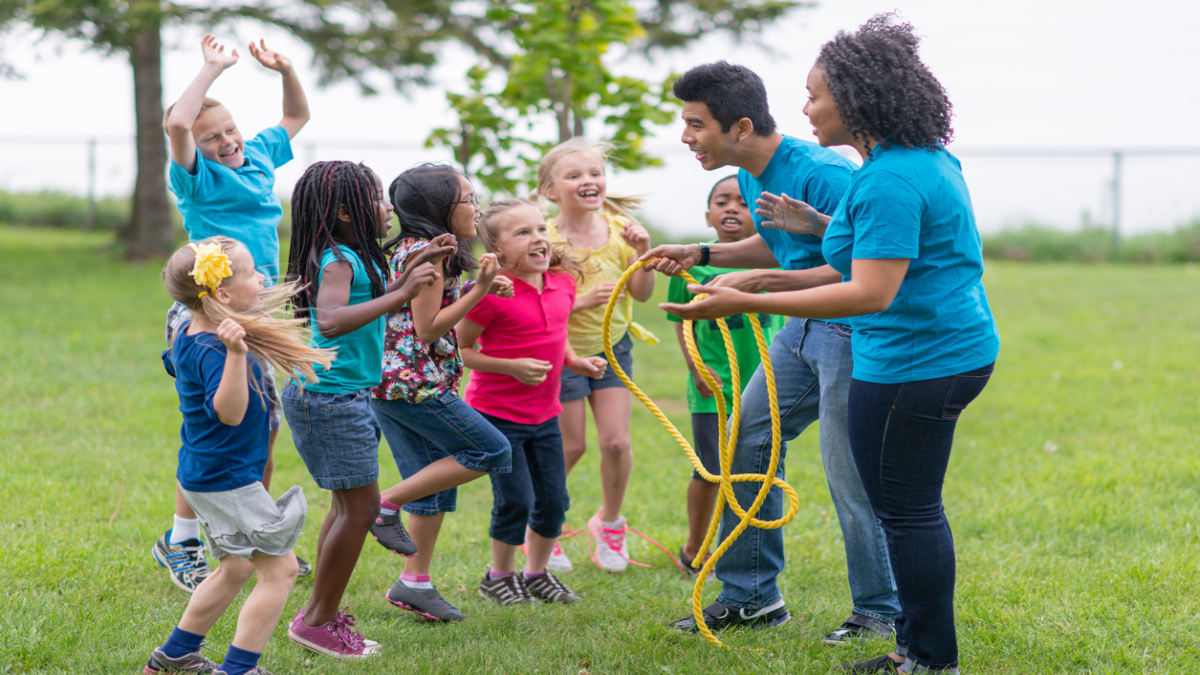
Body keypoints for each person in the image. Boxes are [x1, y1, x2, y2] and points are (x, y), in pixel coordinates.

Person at [661, 16, 1000, 674]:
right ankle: (785, 605)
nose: (807, 107)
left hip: (906, 354)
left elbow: (869, 288)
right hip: (915, 346)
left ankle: (913, 644)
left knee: (893, 502)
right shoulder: (904, 163)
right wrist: (793, 234)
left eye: (816, 94)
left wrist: (752, 295)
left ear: (860, 95)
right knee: (778, 450)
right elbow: (863, 243)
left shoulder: (883, 178)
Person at [641, 60, 901, 644]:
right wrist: (702, 254)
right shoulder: (756, 173)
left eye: (695, 125)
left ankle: (882, 610)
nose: (686, 138)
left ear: (738, 126)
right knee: (747, 439)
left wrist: (752, 290)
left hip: (850, 330)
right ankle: (751, 596)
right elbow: (778, 242)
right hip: (799, 329)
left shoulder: (823, 173)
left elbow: (862, 264)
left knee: (848, 472)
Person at [154, 33, 312, 589]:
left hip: (255, 312)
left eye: (229, 131)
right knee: (210, 431)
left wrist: (286, 69)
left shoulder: (261, 155)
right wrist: (211, 70)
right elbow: (177, 126)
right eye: (211, 137)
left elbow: (297, 113)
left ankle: (257, 530)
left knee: (261, 424)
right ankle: (181, 540)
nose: (225, 142)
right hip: (210, 313)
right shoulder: (196, 180)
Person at [280, 160, 448, 660]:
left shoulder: (358, 255)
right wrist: (400, 293)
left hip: (344, 393)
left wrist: (416, 271)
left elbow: (369, 307)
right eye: (377, 198)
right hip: (328, 397)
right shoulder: (337, 260)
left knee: (348, 506)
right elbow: (330, 321)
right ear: (350, 212)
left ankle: (318, 615)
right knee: (361, 509)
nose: (387, 206)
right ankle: (318, 621)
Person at [145, 237, 331, 675]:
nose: (262, 278)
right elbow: (228, 413)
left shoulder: (193, 329)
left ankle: (174, 656)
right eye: (251, 272)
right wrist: (235, 354)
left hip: (207, 473)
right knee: (280, 571)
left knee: (234, 569)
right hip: (226, 478)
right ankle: (240, 668)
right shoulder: (217, 348)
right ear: (221, 295)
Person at [367, 164, 515, 623]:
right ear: (438, 208)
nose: (477, 208)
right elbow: (428, 328)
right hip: (414, 385)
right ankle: (382, 505)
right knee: (491, 450)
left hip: (391, 383)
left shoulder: (423, 251)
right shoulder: (426, 257)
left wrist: (468, 285)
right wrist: (481, 293)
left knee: (432, 488)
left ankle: (415, 583)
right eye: (468, 199)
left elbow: (419, 313)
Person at [462, 198, 608, 606]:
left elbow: (557, 333)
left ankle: (537, 573)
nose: (538, 238)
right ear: (498, 251)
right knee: (516, 500)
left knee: (554, 499)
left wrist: (576, 361)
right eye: (522, 232)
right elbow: (461, 349)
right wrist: (509, 367)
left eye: (541, 229)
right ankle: (499, 576)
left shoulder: (563, 283)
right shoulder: (492, 295)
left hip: (546, 413)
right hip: (497, 415)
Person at [536, 138, 656, 573]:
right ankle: (544, 530)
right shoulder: (545, 239)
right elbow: (537, 303)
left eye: (594, 173)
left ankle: (609, 525)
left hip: (614, 347)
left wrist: (642, 253)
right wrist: (581, 303)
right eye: (574, 176)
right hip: (561, 350)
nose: (589, 181)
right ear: (551, 191)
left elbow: (641, 295)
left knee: (616, 442)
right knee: (571, 446)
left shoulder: (621, 230)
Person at [666, 175, 787, 575]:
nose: (732, 207)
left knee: (753, 468)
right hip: (713, 385)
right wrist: (695, 368)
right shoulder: (691, 271)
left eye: (741, 201)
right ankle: (694, 546)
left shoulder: (779, 260)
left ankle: (739, 548)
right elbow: (681, 326)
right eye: (722, 201)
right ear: (708, 215)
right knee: (712, 468)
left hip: (765, 382)